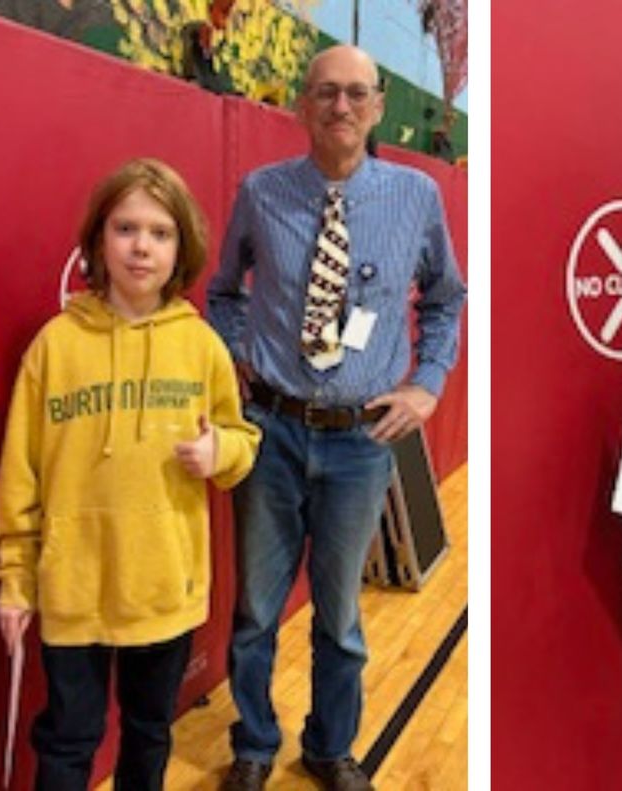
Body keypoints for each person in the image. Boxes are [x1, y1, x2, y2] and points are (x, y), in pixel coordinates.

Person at [207, 44, 466, 791]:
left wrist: (428, 383)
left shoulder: (416, 197)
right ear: (302, 105)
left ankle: (330, 745)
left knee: (341, 619)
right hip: (271, 430)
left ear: (379, 105)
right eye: (326, 92)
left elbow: (446, 298)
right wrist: (235, 352)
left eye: (357, 93)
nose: (341, 107)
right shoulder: (261, 192)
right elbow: (224, 292)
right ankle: (254, 743)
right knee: (257, 610)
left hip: (362, 439)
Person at [0, 158, 261, 791]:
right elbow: (20, 473)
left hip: (163, 588)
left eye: (160, 232)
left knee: (148, 731)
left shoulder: (201, 347)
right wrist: (14, 577)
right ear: (98, 240)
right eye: (126, 228)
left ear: (182, 247)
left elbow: (244, 444)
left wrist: (217, 449)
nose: (142, 246)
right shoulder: (55, 345)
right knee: (67, 738)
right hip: (72, 585)